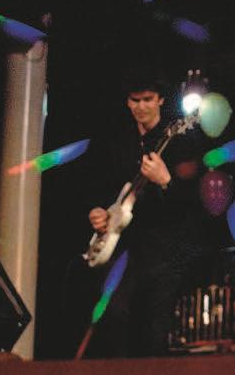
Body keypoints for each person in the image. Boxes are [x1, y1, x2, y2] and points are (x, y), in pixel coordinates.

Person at [82, 76, 212, 357]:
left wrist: (166, 181)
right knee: (114, 317)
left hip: (164, 251)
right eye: (135, 100)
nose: (141, 106)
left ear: (161, 100)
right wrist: (98, 211)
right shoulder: (118, 143)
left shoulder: (180, 142)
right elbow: (102, 188)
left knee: (154, 328)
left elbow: (197, 202)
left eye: (148, 100)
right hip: (125, 249)